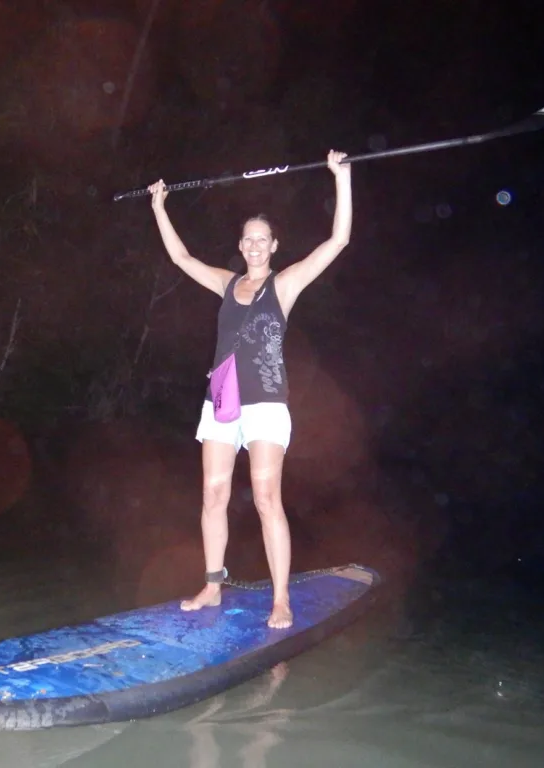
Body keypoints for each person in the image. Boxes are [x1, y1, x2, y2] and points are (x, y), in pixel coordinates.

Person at [148, 150, 353, 629]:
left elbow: (338, 240)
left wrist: (341, 178)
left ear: (274, 246)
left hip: (265, 402)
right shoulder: (226, 283)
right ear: (240, 246)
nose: (254, 247)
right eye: (248, 240)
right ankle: (213, 585)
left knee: (265, 498)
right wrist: (159, 206)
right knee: (213, 494)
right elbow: (180, 257)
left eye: (262, 240)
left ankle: (281, 598)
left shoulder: (283, 285)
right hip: (221, 397)